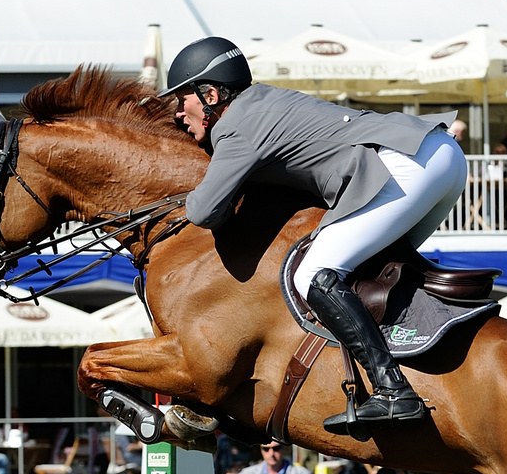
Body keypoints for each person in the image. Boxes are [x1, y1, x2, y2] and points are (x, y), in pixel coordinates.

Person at [163, 36, 465, 433]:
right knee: (370, 272)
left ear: (211, 94)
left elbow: (204, 212)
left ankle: (394, 392)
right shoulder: (265, 101)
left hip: (407, 166)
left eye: (182, 100)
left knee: (314, 274)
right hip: (440, 156)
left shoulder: (235, 128)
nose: (178, 114)